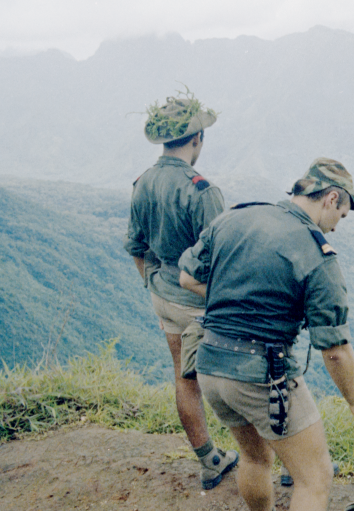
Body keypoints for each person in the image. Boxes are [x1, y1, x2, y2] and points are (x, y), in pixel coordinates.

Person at [178, 157, 354, 511]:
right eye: (343, 213)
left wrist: (234, 299)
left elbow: (187, 276)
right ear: (331, 198)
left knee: (254, 457)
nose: (339, 225)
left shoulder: (235, 217)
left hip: (210, 366)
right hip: (264, 374)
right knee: (315, 477)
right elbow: (334, 348)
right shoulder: (315, 253)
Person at [123, 92, 238, 490]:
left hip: (163, 295)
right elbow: (222, 259)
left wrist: (153, 284)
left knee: (183, 378)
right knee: (242, 380)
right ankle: (280, 463)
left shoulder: (143, 183)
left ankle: (209, 461)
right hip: (201, 302)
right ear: (197, 139)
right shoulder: (201, 191)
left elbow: (137, 248)